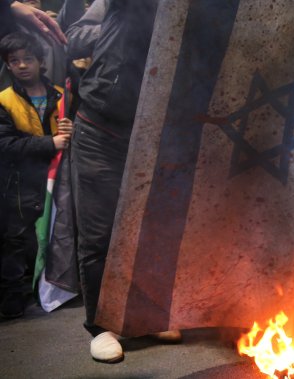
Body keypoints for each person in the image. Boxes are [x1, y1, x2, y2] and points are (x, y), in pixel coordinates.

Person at [67, 0, 181, 363]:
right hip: (100, 130)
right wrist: (113, 34)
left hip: (153, 131)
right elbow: (73, 38)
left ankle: (147, 317)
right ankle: (100, 326)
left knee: (152, 230)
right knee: (99, 234)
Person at [0, 31, 71, 318]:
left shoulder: (61, 94)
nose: (21, 65)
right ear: (7, 65)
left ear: (41, 61)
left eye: (28, 59)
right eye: (13, 61)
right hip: (18, 185)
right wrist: (49, 143)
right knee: (16, 242)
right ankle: (14, 301)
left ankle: (51, 290)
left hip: (56, 181)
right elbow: (4, 144)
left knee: (54, 236)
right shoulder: (4, 100)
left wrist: (70, 133)